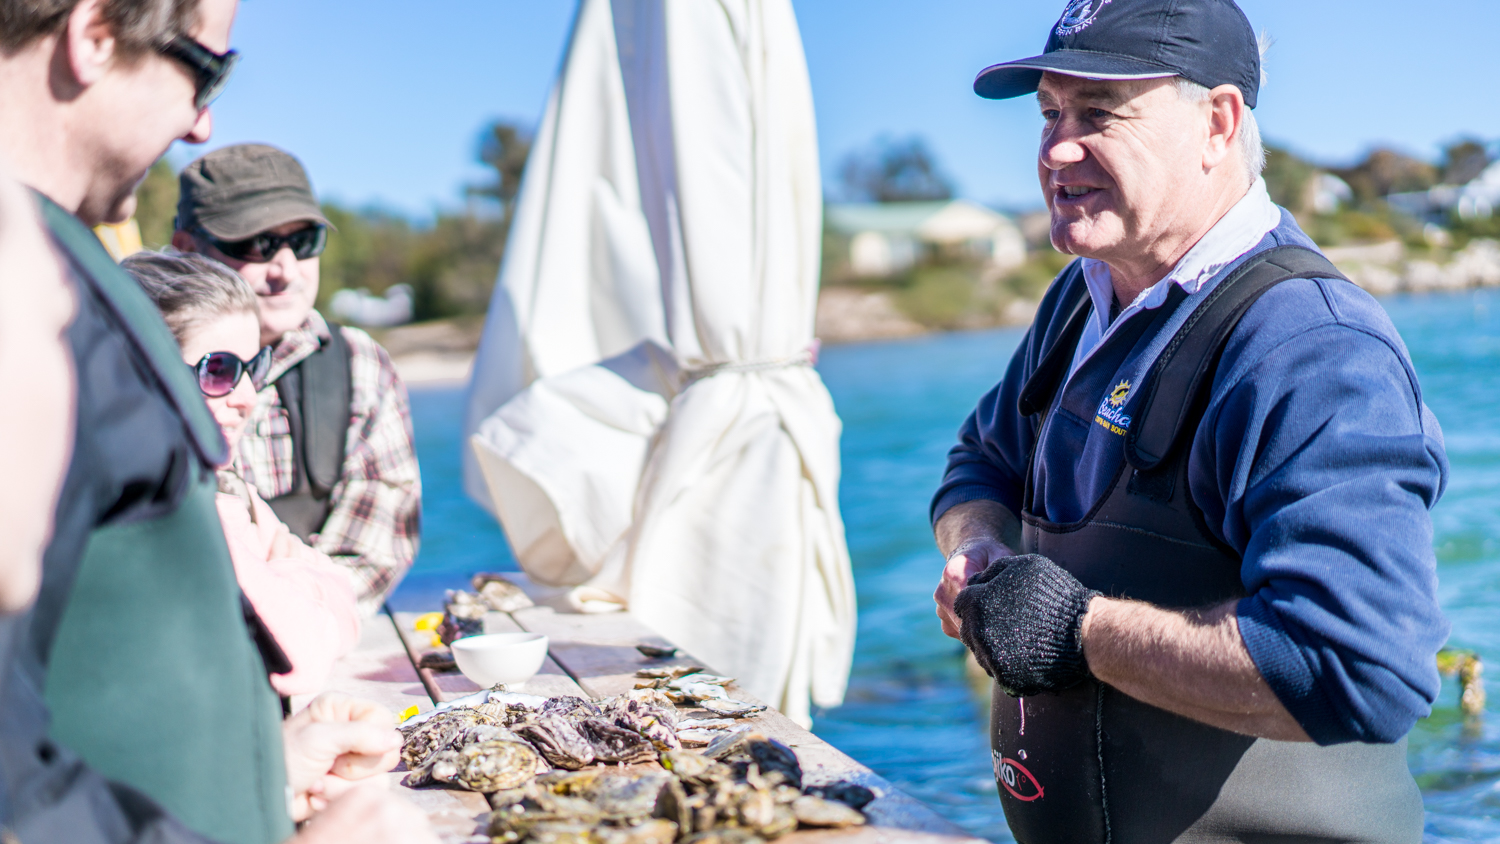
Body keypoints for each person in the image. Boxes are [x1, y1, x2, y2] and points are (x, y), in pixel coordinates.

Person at [930, 1, 1448, 842]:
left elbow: (1361, 670)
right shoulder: (1080, 299)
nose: (1057, 148)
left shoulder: (1311, 346)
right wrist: (977, 547)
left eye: (1099, 113)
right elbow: (980, 463)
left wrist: (1078, 632)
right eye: (1049, 113)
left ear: (1218, 121)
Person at [0, 0, 437, 841]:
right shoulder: (29, 287)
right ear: (94, 35)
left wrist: (266, 782)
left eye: (298, 242)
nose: (203, 122)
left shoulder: (61, 274)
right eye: (207, 69)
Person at [173, 144, 421, 615]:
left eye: (304, 241)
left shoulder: (362, 366)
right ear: (186, 249)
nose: (285, 269)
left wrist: (287, 625)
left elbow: (373, 554)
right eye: (257, 243)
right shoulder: (132, 365)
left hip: (312, 640)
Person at [125, 250, 361, 697]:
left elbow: (347, 598)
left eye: (255, 367)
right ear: (143, 373)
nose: (249, 397)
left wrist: (287, 580)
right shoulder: (159, 506)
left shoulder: (228, 494)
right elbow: (299, 655)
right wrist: (299, 578)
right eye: (220, 370)